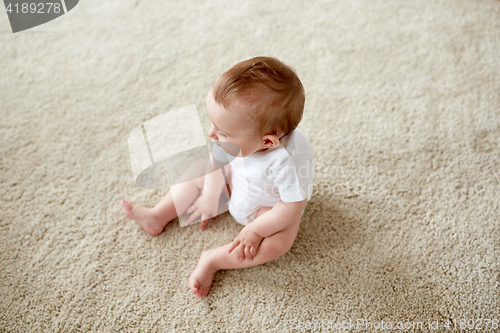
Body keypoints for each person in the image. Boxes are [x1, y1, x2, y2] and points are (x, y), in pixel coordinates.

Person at [121, 56, 315, 298]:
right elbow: (217, 163)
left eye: (222, 131)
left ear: (267, 141)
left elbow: (292, 205)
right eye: (213, 124)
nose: (211, 133)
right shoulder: (236, 137)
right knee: (198, 170)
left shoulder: (288, 161)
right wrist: (211, 197)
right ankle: (158, 215)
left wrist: (255, 230)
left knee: (279, 243)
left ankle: (213, 260)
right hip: (235, 185)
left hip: (266, 209)